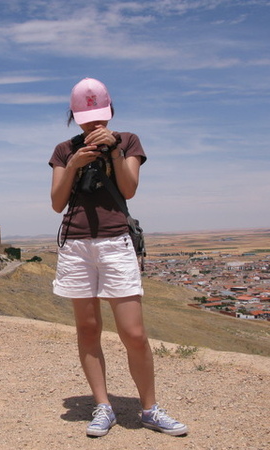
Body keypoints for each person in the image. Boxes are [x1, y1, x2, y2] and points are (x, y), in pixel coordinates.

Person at [49, 77, 188, 438]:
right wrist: (77, 164)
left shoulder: (128, 141)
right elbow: (56, 202)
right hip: (76, 244)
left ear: (110, 111)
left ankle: (150, 409)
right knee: (88, 329)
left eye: (99, 116)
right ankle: (103, 406)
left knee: (134, 333)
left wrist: (112, 151)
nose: (94, 124)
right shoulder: (64, 150)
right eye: (86, 117)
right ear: (75, 117)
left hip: (115, 242)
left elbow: (129, 189)